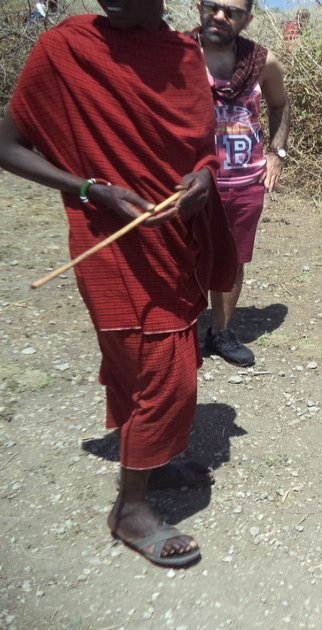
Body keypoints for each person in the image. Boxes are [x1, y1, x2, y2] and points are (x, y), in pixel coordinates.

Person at [0, 1, 237, 565]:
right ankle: (129, 510)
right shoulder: (67, 48)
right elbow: (6, 145)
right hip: (112, 242)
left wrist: (204, 176)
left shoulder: (184, 55)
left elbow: (202, 148)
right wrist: (91, 189)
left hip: (174, 240)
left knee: (168, 355)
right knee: (160, 371)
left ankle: (150, 460)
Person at [195, 0, 291, 367]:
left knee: (232, 259)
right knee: (183, 256)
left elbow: (280, 105)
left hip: (243, 182)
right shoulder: (177, 55)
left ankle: (219, 332)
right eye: (212, 6)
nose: (220, 16)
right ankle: (182, 331)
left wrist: (276, 154)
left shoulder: (262, 63)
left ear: (246, 19)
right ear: (199, 7)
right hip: (189, 181)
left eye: (232, 11)